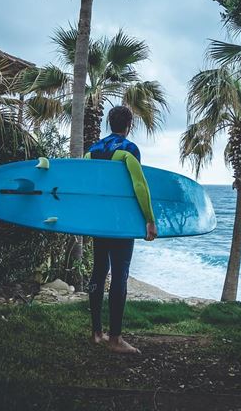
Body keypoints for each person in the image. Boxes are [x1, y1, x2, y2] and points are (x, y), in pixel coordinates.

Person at [84, 105, 157, 354]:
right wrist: (149, 219)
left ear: (109, 123)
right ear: (129, 125)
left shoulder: (91, 152)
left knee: (98, 271)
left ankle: (96, 333)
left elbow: (87, 188)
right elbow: (139, 185)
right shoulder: (128, 150)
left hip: (98, 222)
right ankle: (115, 339)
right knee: (120, 274)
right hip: (121, 223)